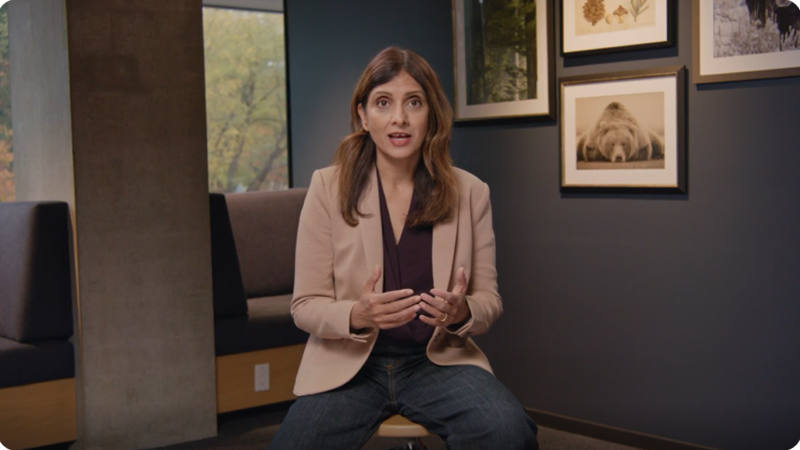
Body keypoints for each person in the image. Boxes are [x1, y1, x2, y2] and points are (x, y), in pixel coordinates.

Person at [269, 46, 538, 450]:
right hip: (350, 365)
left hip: (436, 362)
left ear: (431, 114)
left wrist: (463, 310)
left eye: (414, 102)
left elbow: (489, 300)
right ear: (362, 115)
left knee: (508, 432)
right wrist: (356, 314)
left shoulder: (471, 192)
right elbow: (304, 305)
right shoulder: (327, 188)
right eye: (383, 103)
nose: (399, 118)